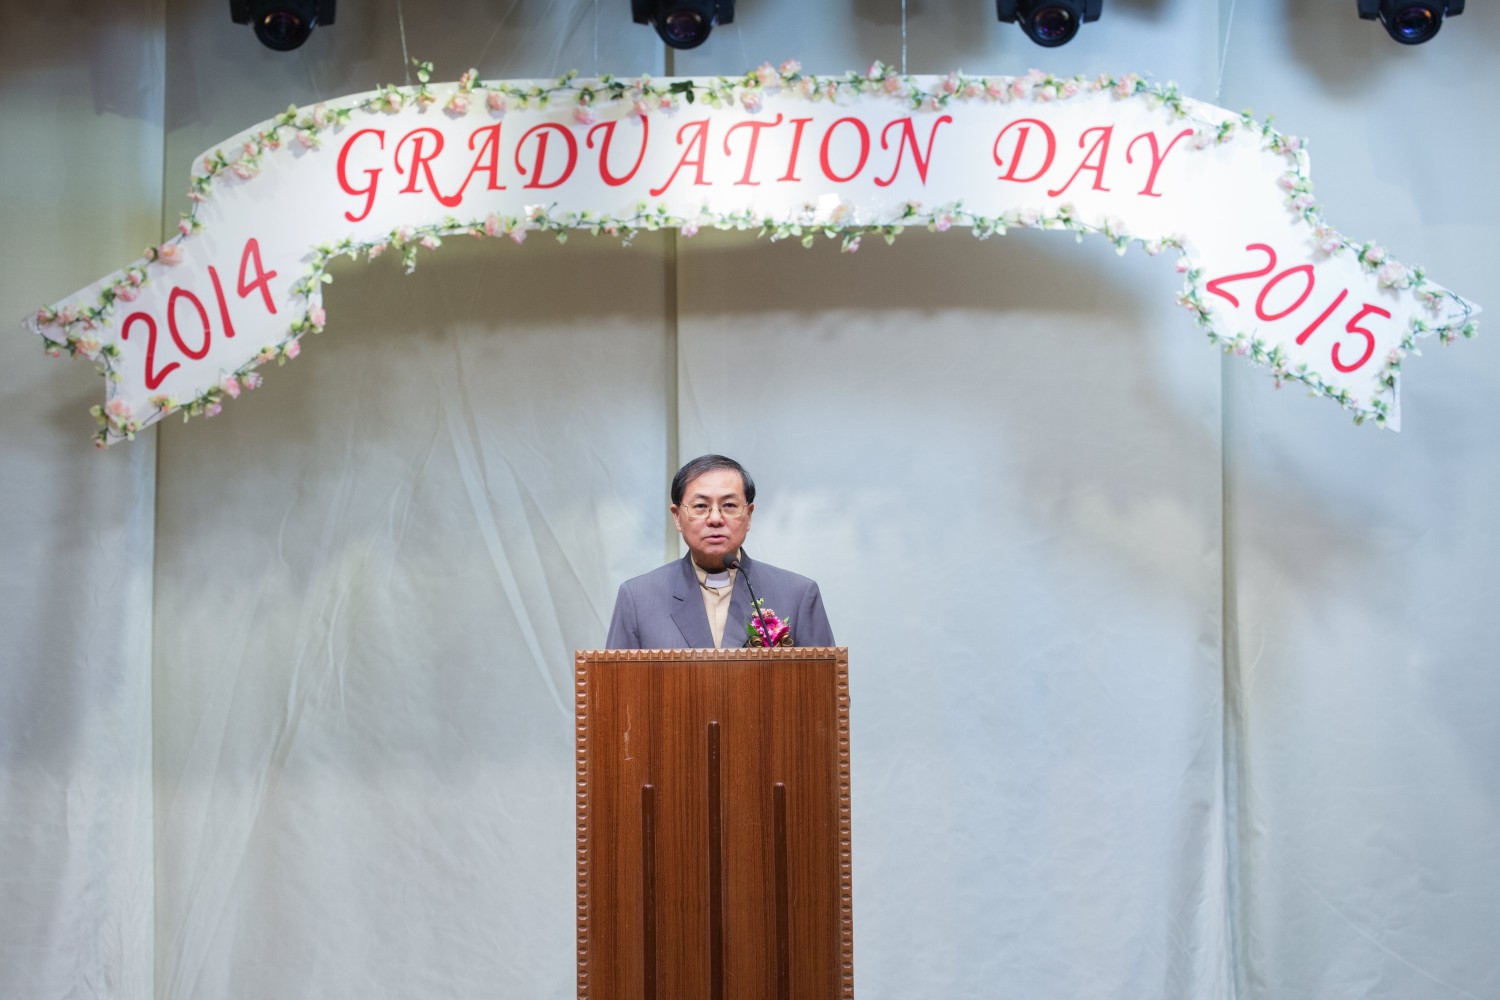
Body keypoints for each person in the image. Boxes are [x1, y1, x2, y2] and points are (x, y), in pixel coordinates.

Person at [605, 455, 835, 650]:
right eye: (700, 506)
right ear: (677, 517)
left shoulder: (797, 595)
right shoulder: (638, 598)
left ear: (749, 515)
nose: (715, 518)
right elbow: (614, 687)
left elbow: (824, 687)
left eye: (729, 506)